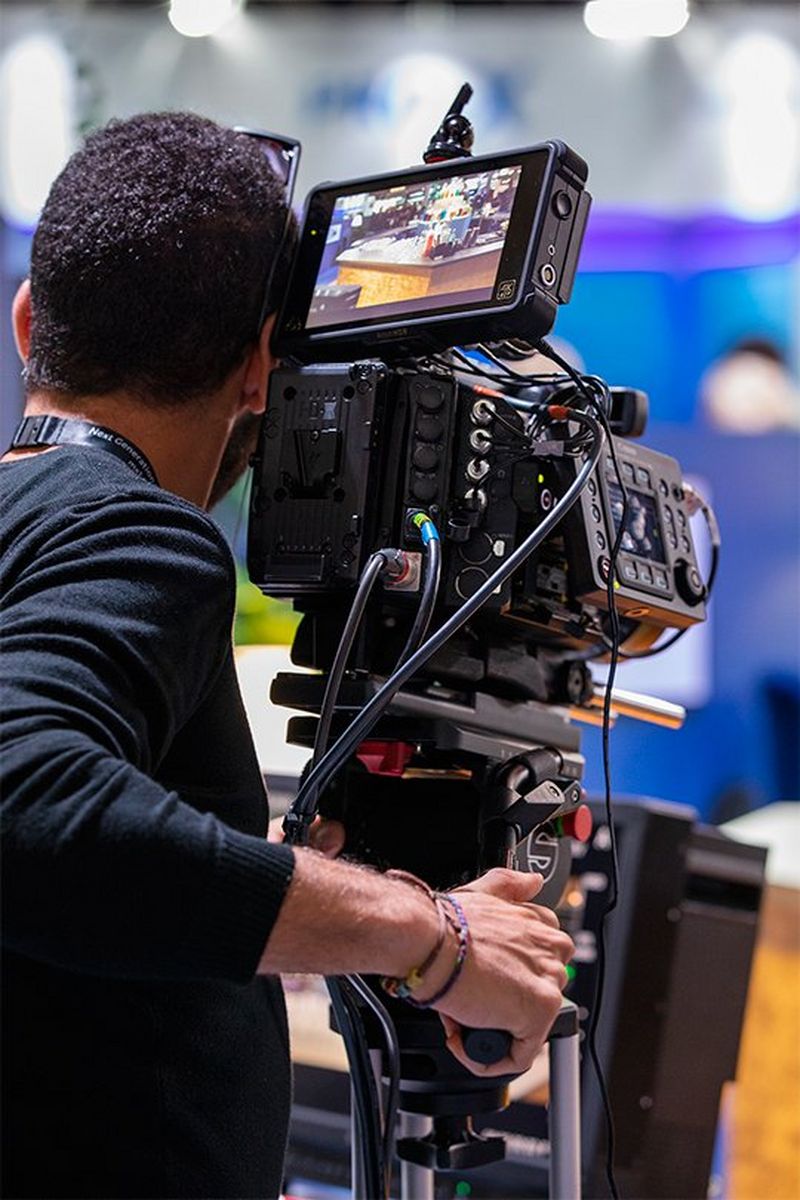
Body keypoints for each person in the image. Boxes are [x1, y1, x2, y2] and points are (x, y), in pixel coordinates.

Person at [0, 112, 573, 1200]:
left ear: (30, 322)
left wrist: (273, 873)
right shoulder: (130, 529)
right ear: (263, 364)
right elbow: (25, 804)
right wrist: (432, 935)